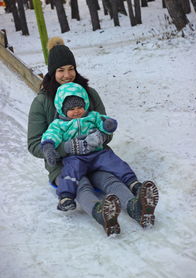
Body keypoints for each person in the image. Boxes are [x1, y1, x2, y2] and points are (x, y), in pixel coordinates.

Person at [27, 36, 159, 236]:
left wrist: (100, 138)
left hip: (96, 156)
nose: (67, 75)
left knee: (109, 179)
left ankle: (135, 207)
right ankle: (101, 214)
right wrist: (66, 148)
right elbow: (34, 144)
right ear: (52, 72)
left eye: (71, 68)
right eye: (61, 70)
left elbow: (105, 125)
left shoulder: (89, 94)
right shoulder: (41, 102)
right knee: (81, 184)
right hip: (64, 164)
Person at [40, 82, 142, 213]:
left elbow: (103, 121)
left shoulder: (92, 116)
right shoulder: (59, 124)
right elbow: (51, 135)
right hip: (75, 157)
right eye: (71, 109)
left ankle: (132, 183)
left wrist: (107, 125)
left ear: (85, 105)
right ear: (63, 109)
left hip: (97, 153)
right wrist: (48, 147)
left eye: (79, 107)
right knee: (70, 173)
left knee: (114, 162)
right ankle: (66, 197)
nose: (76, 111)